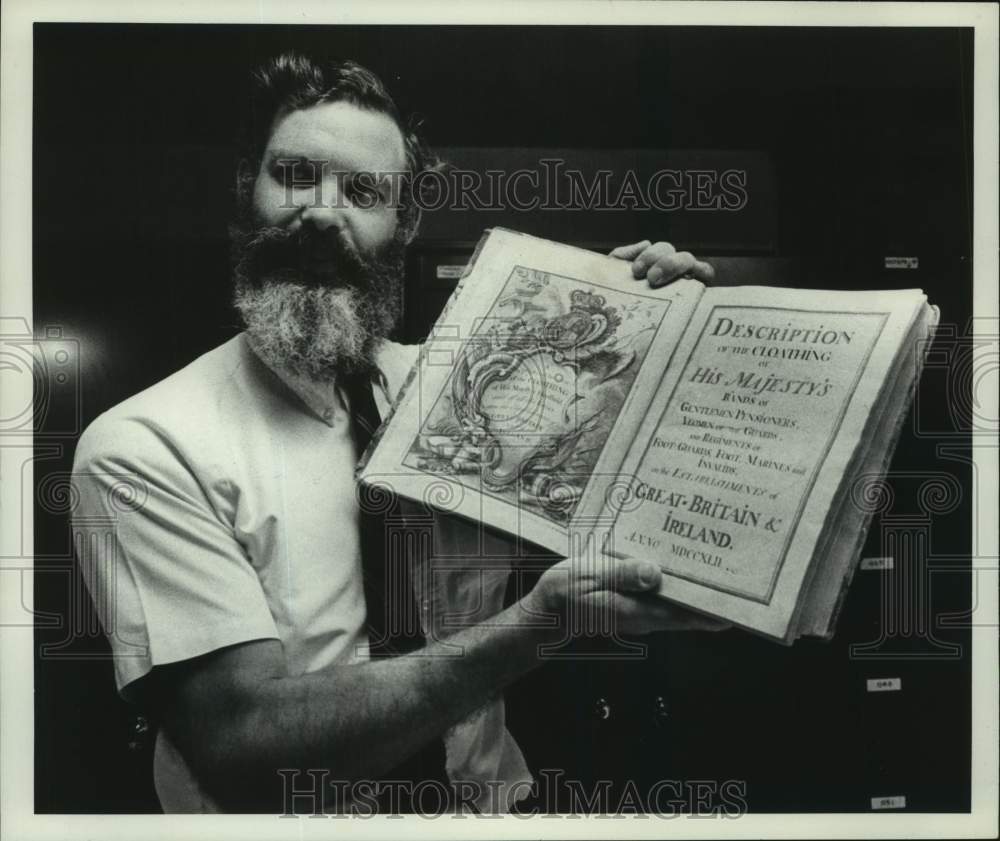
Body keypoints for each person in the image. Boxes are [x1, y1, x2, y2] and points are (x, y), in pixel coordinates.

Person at [70, 52, 722, 815]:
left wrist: (664, 332)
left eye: (363, 190)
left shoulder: (458, 388)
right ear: (247, 189)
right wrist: (533, 627)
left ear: (404, 224)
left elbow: (663, 525)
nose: (321, 211)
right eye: (294, 174)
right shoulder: (145, 445)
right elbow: (244, 746)